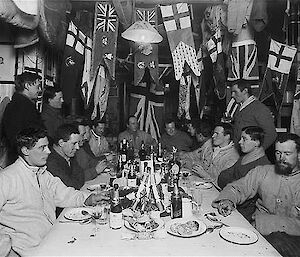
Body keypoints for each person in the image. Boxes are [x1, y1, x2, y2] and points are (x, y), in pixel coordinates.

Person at [0, 127, 108, 256]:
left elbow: (64, 194)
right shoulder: (7, 178)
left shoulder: (42, 173)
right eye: (42, 148)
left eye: (47, 146)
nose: (48, 151)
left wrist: (88, 198)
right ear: (25, 150)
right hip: (28, 250)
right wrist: (6, 250)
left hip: (50, 239)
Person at [212, 133, 300, 257]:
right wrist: (228, 200)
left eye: (287, 153)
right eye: (278, 153)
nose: (281, 158)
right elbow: (238, 187)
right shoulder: (264, 171)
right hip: (256, 232)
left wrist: (264, 222)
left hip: (292, 239)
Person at [217, 126, 270, 221]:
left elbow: (248, 197)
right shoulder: (244, 157)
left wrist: (231, 185)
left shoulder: (263, 165)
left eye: (244, 139)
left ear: (256, 143)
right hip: (231, 201)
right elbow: (222, 177)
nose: (239, 142)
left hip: (245, 214)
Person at [2, 72, 44, 163]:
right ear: (27, 86)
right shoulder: (23, 107)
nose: (39, 90)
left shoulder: (19, 105)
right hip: (24, 157)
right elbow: (17, 137)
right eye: (37, 86)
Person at [230, 79, 277, 150]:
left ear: (245, 91)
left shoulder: (259, 108)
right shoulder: (239, 107)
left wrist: (258, 151)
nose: (232, 95)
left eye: (235, 92)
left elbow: (271, 134)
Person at [46, 123, 85, 190]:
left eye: (78, 143)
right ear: (61, 143)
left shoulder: (68, 154)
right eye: (74, 143)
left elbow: (81, 177)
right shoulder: (50, 162)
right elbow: (71, 186)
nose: (77, 147)